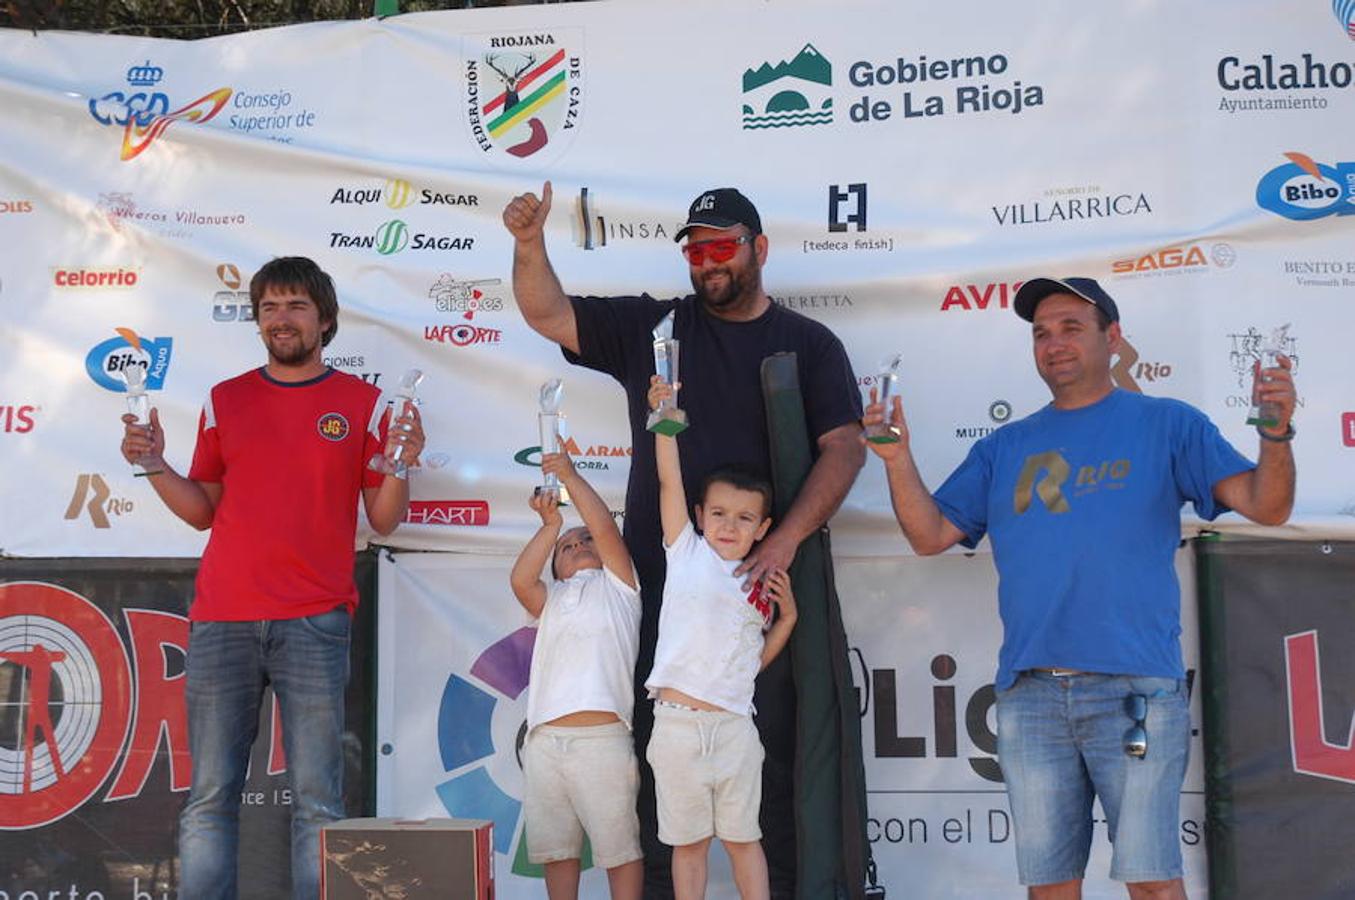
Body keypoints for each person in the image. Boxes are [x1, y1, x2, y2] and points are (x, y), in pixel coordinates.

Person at [862, 276, 1296, 900]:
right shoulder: (1004, 447)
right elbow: (931, 534)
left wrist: (1275, 435)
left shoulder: (1168, 424)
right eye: (1042, 333)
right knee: (1051, 890)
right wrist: (897, 459)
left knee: (1151, 884)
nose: (1054, 344)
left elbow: (1267, 505)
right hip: (1031, 697)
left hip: (1134, 690)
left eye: (1071, 328)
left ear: (1112, 338)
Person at [503, 183, 864, 895]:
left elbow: (845, 448)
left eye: (721, 246)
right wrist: (526, 242)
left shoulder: (810, 344)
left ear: (758, 249)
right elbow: (547, 312)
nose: (707, 262)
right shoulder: (656, 327)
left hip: (755, 597)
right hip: (658, 596)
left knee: (776, 770)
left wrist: (782, 542)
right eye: (696, 250)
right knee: (653, 777)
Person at [119, 256, 424, 900]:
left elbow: (385, 520)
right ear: (257, 321)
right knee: (209, 797)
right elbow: (202, 510)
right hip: (223, 618)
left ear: (325, 320)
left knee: (318, 800)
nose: (281, 320)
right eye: (269, 308)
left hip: (316, 619)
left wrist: (402, 463)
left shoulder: (363, 405)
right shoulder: (224, 399)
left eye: (295, 307)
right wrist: (152, 464)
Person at [645, 375, 797, 900]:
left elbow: (749, 664)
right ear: (699, 517)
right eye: (718, 514)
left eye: (744, 518)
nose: (729, 526)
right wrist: (665, 421)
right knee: (688, 846)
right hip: (677, 728)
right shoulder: (685, 552)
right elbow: (669, 481)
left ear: (763, 527)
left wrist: (787, 622)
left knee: (743, 839)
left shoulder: (760, 583)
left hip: (734, 728)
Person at [510, 449, 644, 899]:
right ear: (557, 568)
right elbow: (521, 581)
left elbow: (605, 527)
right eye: (567, 547)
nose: (579, 545)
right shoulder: (551, 602)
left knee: (619, 848)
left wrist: (568, 474)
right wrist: (550, 527)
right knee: (555, 850)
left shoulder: (620, 589)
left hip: (602, 740)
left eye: (586, 540)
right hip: (545, 742)